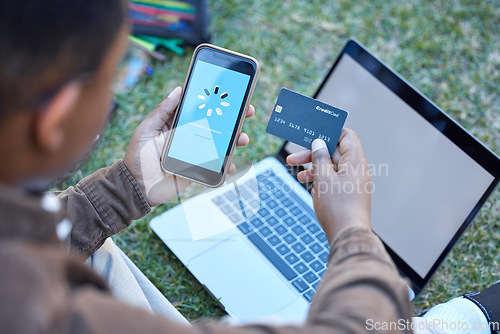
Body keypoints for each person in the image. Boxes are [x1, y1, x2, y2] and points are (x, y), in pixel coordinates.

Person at [0, 0, 413, 333]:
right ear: (55, 119)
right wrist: (353, 231)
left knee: (94, 252)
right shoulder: (44, 309)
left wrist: (125, 189)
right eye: (115, 78)